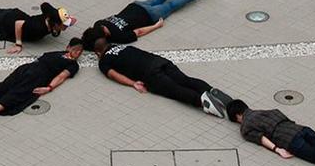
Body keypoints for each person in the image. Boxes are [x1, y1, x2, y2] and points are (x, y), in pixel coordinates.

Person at [94, 39, 233, 118]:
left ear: (97, 53)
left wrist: (133, 84)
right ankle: (211, 90)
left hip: (149, 74)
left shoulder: (103, 61)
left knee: (175, 90)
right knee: (184, 80)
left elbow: (113, 74)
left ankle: (202, 101)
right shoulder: (119, 45)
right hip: (158, 61)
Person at [0, 38, 84, 125]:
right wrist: (49, 87)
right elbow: (61, 76)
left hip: (27, 68)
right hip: (38, 76)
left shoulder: (58, 54)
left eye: (80, 51)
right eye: (78, 50)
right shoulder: (72, 64)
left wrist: (49, 87)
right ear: (70, 48)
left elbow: (60, 74)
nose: (78, 53)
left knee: (3, 87)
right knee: (16, 95)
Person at [80, 0, 203, 50]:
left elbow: (139, 32)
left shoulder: (117, 37)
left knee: (170, 6)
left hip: (149, 16)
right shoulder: (98, 23)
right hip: (135, 6)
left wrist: (156, 26)